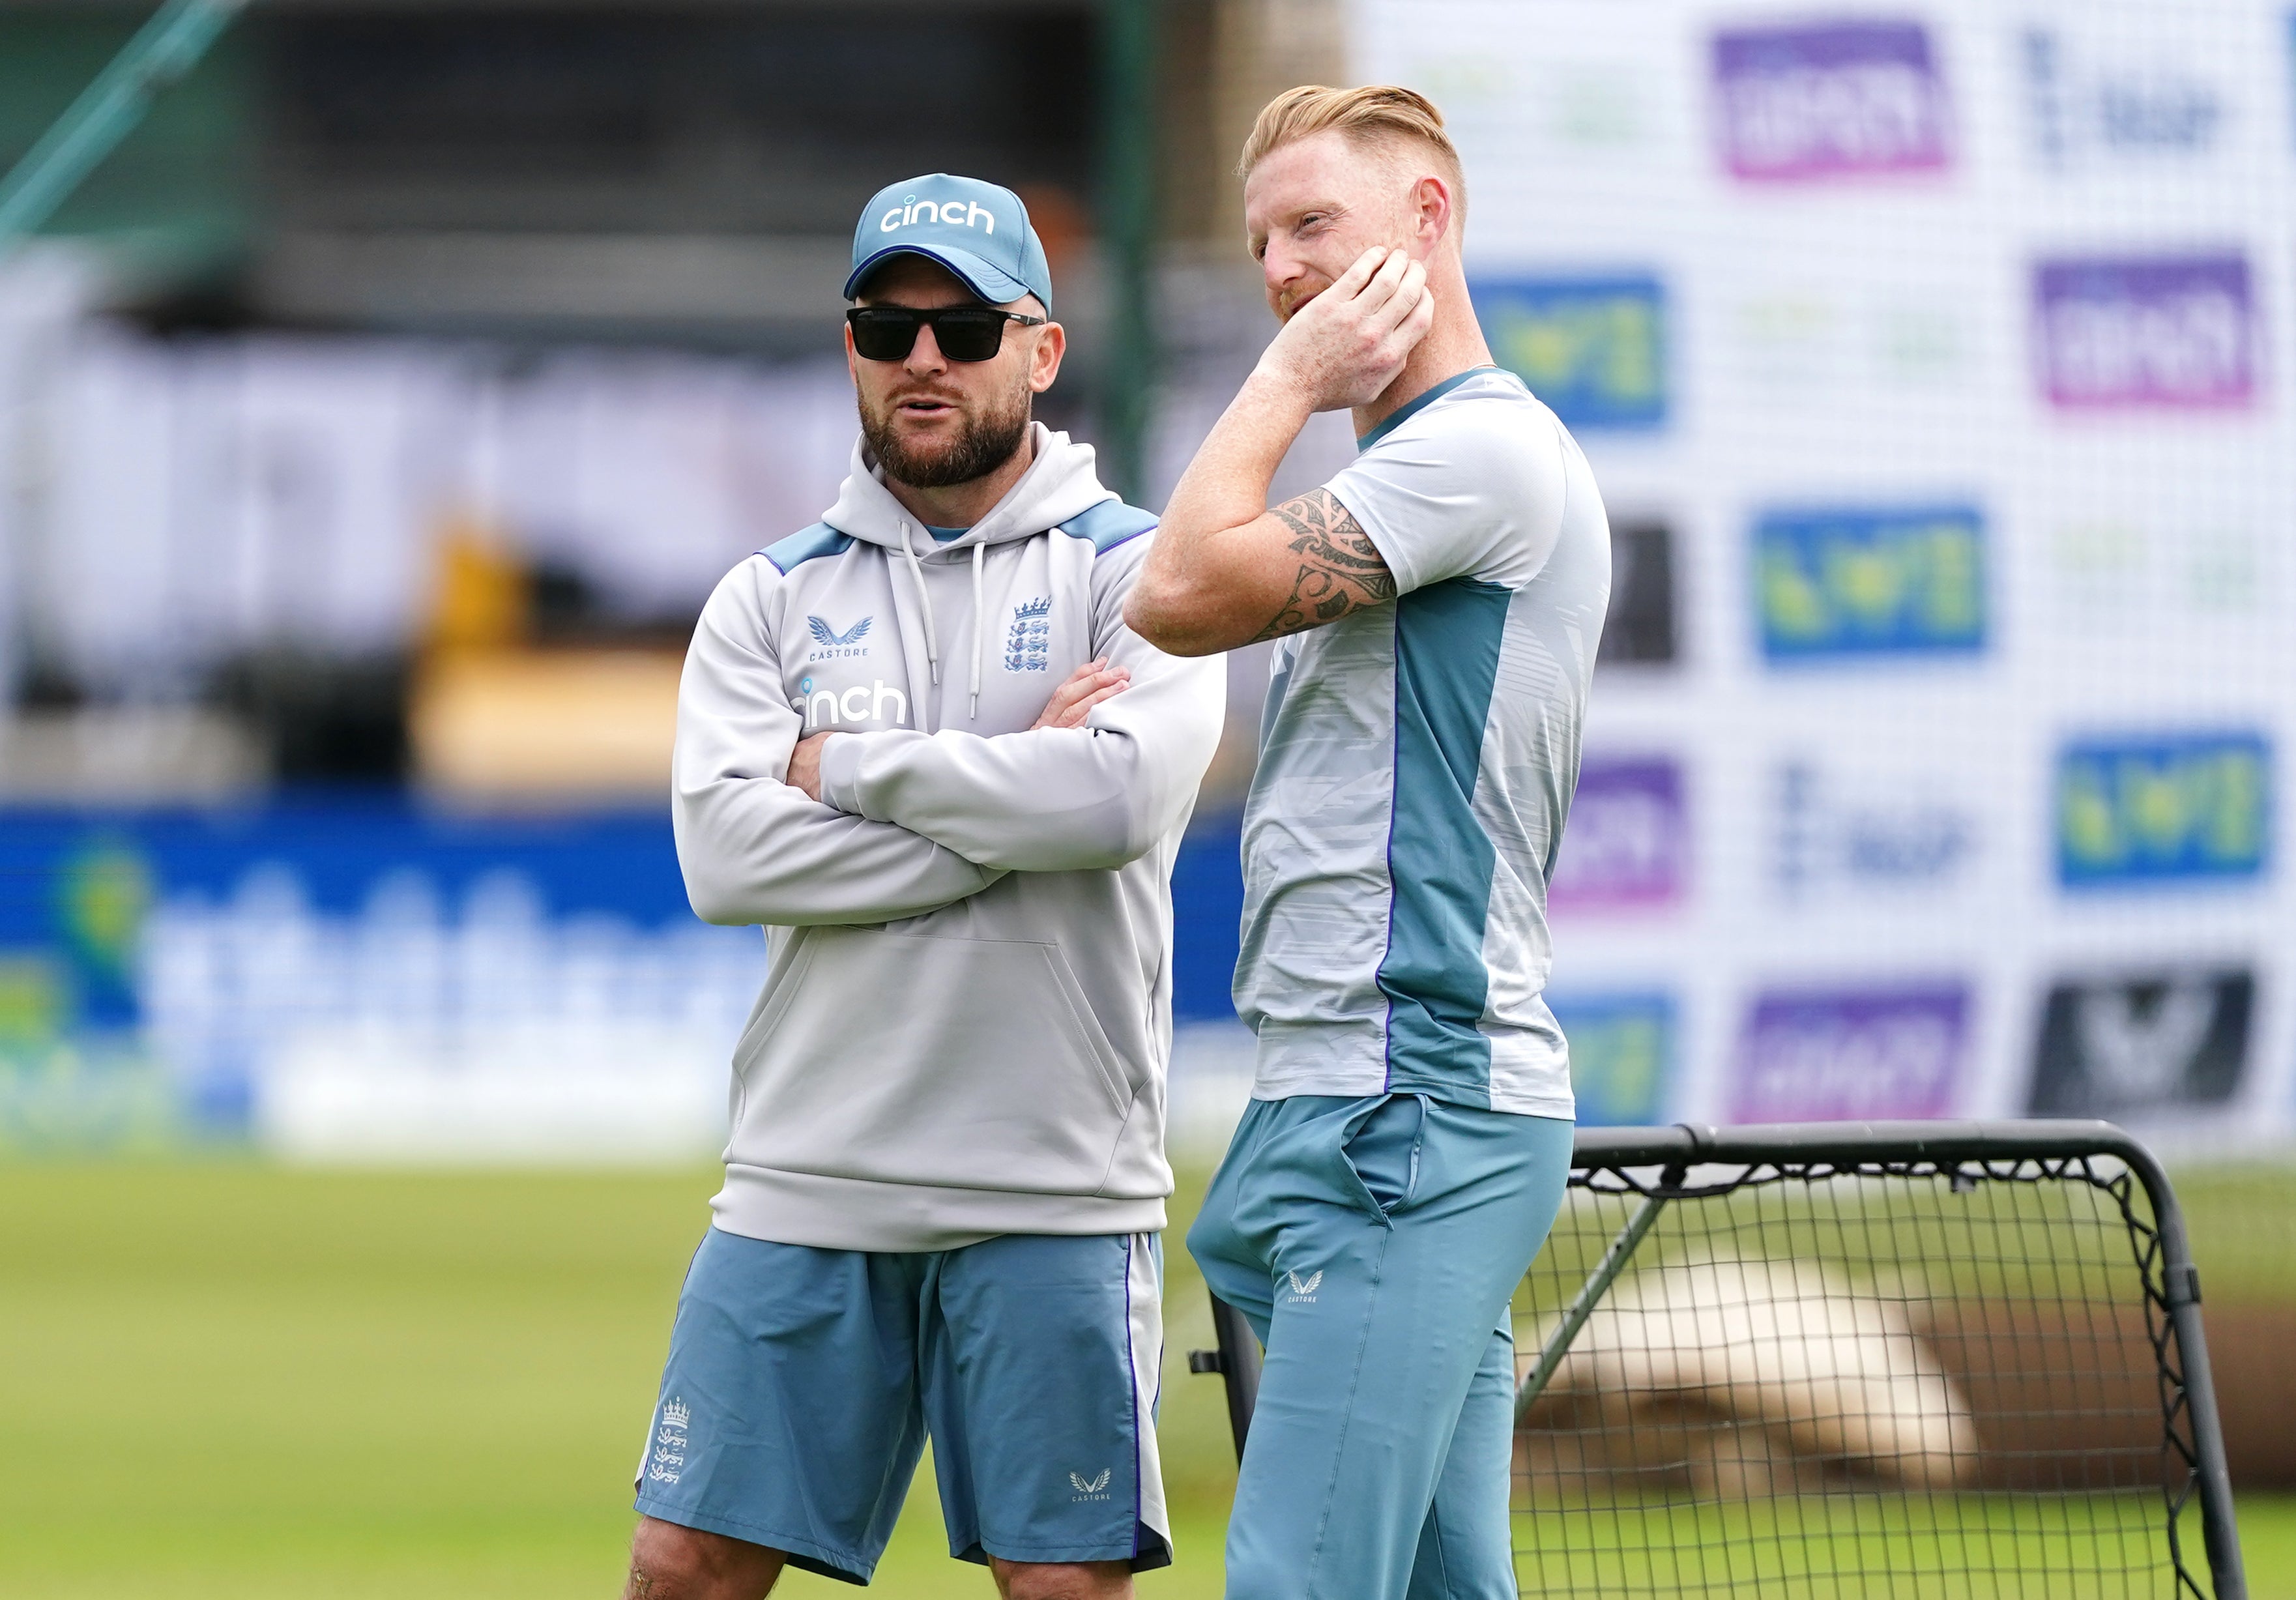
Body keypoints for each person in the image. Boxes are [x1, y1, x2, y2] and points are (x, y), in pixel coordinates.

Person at [626, 173, 1225, 1600]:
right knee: (678, 1569)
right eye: (885, 327)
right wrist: (1004, 785)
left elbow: (1119, 798)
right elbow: (727, 857)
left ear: (1042, 349)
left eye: (963, 327)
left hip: (1053, 1181)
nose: (923, 361)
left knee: (1061, 1587)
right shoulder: (767, 595)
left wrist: (838, 763)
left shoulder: (1140, 572)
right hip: (807, 1174)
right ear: (849, 346)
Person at [1126, 87, 1612, 1599]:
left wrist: (1282, 377)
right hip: (1362, 1090)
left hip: (1414, 1104)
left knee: (1296, 1583)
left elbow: (1176, 590)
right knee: (1440, 1586)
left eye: (1312, 224)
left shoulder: (1476, 456)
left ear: (1427, 221)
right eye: (1262, 238)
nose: (1278, 265)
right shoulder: (1418, 470)